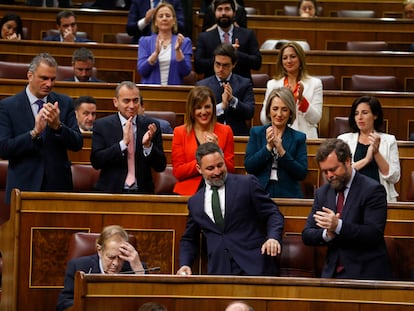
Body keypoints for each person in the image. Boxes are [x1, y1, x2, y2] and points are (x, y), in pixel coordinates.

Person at [176, 142, 284, 276]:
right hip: (219, 271)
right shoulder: (195, 202)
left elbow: (273, 213)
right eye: (210, 168)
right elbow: (189, 239)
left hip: (255, 266)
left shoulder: (247, 184)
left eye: (220, 165)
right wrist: (185, 264)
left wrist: (273, 237)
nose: (217, 172)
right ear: (199, 168)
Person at [302, 138, 392, 280]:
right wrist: (328, 234)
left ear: (348, 162)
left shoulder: (372, 190)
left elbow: (374, 233)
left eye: (333, 169)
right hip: (332, 274)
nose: (329, 176)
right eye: (325, 172)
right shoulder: (322, 193)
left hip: (366, 274)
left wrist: (338, 226)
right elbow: (307, 234)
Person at [0, 53, 83, 204]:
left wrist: (58, 127)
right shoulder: (8, 107)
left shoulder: (64, 103)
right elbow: (4, 148)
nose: (49, 84)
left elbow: (77, 143)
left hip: (58, 187)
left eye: (52, 79)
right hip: (23, 187)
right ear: (30, 76)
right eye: (44, 78)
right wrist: (34, 133)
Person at [90, 81, 166, 193]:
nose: (132, 106)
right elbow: (96, 162)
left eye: (135, 100)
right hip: (110, 192)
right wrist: (122, 144)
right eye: (126, 101)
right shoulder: (102, 125)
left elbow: (160, 166)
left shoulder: (151, 126)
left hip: (143, 193)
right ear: (115, 102)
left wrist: (148, 146)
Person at [56, 225, 145, 311]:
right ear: (99, 250)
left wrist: (139, 271)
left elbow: (148, 305)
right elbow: (63, 304)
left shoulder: (135, 268)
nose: (116, 263)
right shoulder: (78, 266)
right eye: (111, 257)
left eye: (121, 257)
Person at [245, 87, 308, 198]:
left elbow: (301, 173)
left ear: (290, 112)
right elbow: (249, 166)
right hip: (259, 191)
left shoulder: (298, 138)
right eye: (275, 108)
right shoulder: (256, 133)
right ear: (269, 110)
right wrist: (268, 148)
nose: (279, 114)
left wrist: (282, 151)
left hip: (289, 193)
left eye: (284, 109)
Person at [171, 86, 234, 195]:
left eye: (207, 107)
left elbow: (231, 169)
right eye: (198, 107)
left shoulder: (226, 131)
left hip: (220, 188)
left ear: (213, 108)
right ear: (191, 110)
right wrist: (204, 160)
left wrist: (217, 152)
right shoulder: (180, 132)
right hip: (190, 190)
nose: (203, 112)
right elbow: (178, 172)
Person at [337, 96, 400, 202]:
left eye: (365, 113)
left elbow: (394, 177)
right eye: (356, 114)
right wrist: (366, 160)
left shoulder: (389, 141)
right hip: (352, 197)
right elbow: (341, 173)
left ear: (375, 115)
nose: (360, 117)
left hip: (379, 197)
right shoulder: (344, 140)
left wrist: (376, 153)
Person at [259, 41, 322, 139]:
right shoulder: (273, 84)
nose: (288, 61)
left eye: (293, 56)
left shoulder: (315, 84)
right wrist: (281, 102)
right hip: (278, 137)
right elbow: (264, 118)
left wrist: (302, 101)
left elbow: (316, 118)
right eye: (285, 58)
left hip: (306, 137)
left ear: (300, 59)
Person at [196, 43, 255, 136]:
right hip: (209, 134)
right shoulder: (202, 85)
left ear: (234, 64)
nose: (220, 69)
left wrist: (232, 100)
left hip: (236, 136)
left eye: (225, 65)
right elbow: (197, 113)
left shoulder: (244, 83)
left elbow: (249, 112)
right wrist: (221, 106)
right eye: (217, 64)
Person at [194, 0, 261, 80]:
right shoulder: (204, 37)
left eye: (227, 9)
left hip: (241, 87)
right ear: (214, 13)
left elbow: (257, 63)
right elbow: (198, 67)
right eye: (220, 9)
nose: (223, 13)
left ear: (234, 13)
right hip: (213, 87)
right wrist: (220, 58)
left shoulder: (248, 34)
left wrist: (236, 54)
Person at [137, 3, 192, 85]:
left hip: (174, 91)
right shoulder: (145, 42)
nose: (164, 18)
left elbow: (185, 71)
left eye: (168, 16)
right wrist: (155, 54)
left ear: (174, 21)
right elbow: (142, 70)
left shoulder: (184, 42)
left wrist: (178, 51)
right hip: (150, 92)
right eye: (160, 16)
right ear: (155, 22)